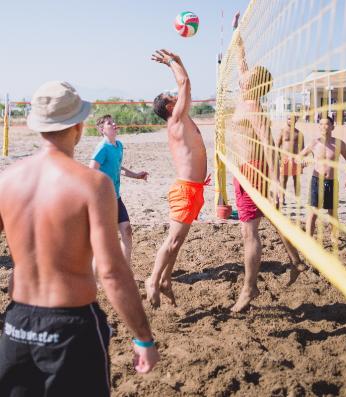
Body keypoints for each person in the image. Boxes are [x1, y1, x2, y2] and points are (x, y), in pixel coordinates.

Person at [0, 81, 159, 397]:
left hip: (16, 325)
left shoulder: (7, 179)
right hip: (70, 326)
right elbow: (112, 273)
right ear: (79, 125)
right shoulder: (93, 185)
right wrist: (143, 337)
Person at [230, 12, 305, 313]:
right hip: (243, 169)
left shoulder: (252, 106)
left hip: (254, 171)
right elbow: (241, 63)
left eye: (248, 75)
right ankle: (297, 262)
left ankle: (250, 289)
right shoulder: (243, 95)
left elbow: (272, 147)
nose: (243, 75)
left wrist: (275, 182)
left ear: (254, 84)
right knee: (274, 219)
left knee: (250, 233)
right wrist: (238, 35)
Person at [145, 50, 208, 308]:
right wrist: (171, 62)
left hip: (194, 188)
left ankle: (166, 280)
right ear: (171, 106)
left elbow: (186, 86)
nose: (178, 94)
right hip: (185, 191)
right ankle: (152, 279)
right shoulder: (177, 119)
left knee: (178, 242)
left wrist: (180, 60)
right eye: (173, 97)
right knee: (171, 241)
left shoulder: (181, 116)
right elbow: (184, 83)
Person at [89, 115, 148, 267]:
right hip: (103, 200)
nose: (114, 124)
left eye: (114, 121)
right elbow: (91, 171)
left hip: (116, 197)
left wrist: (136, 175)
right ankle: (95, 278)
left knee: (127, 231)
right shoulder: (102, 148)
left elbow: (117, 168)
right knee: (105, 241)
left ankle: (125, 272)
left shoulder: (119, 146)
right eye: (109, 123)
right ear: (102, 130)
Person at [299, 116, 346, 237]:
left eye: (327, 124)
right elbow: (299, 157)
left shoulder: (339, 144)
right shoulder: (314, 143)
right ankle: (309, 239)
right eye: (321, 124)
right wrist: (302, 163)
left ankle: (334, 239)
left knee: (332, 213)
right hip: (316, 180)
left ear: (333, 127)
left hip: (332, 182)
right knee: (313, 212)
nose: (324, 126)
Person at [276, 114, 305, 205]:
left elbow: (303, 149)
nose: (290, 121)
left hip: (295, 159)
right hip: (284, 158)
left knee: (296, 180)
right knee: (283, 180)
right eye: (288, 119)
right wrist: (278, 158)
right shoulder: (282, 131)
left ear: (296, 120)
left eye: (292, 119)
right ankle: (282, 198)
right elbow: (277, 145)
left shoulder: (299, 133)